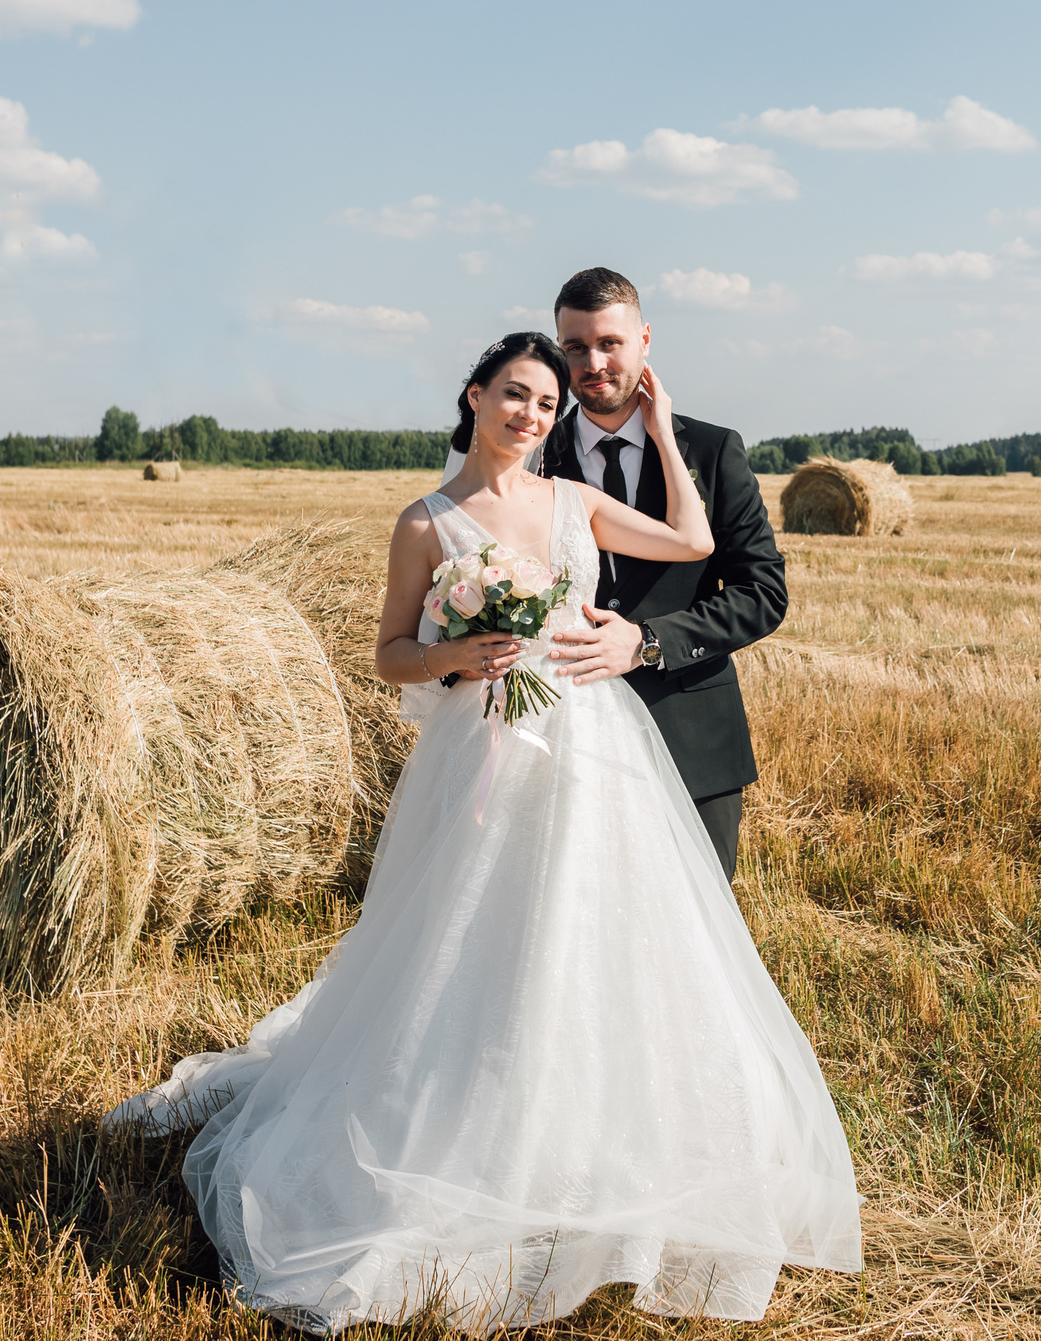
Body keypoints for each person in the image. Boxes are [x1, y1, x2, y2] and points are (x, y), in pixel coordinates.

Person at [107, 332, 862, 1333]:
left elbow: (691, 543)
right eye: (516, 395)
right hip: (482, 753)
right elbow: (388, 656)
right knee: (476, 937)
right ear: (473, 396)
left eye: (547, 405)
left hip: (595, 741)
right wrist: (459, 650)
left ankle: (601, 1130)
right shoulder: (424, 522)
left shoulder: (571, 502)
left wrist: (665, 431)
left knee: (599, 930)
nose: (531, 416)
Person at [540, 267, 786, 880]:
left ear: (644, 339)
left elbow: (762, 594)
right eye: (575, 347)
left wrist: (648, 643)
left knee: (699, 947)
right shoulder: (533, 460)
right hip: (563, 741)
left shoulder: (710, 450)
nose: (593, 363)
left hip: (692, 741)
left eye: (609, 343)